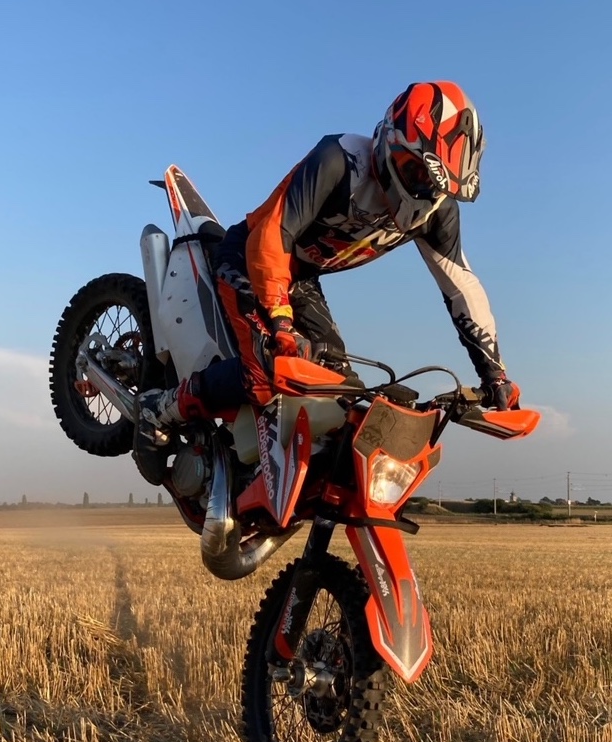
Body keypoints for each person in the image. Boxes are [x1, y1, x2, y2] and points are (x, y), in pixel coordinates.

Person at [133, 80, 520, 486]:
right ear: (389, 142)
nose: (424, 193)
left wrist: (495, 374)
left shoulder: (436, 213)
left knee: (345, 397)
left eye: (438, 187)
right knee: (269, 370)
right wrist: (280, 323)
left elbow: (462, 287)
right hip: (250, 258)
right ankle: (159, 409)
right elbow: (273, 234)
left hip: (301, 278)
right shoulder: (340, 160)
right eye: (416, 172)